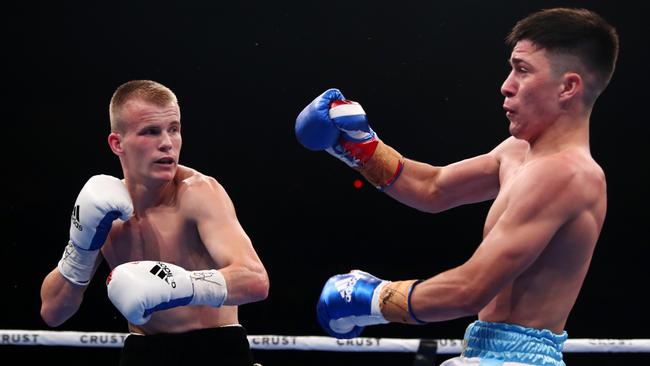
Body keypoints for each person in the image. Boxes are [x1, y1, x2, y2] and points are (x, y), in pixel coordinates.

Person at [295, 7, 618, 366]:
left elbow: (471, 288)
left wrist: (375, 298)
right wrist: (361, 148)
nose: (506, 85)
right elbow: (434, 188)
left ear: (568, 87)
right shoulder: (518, 153)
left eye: (522, 70)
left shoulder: (568, 174)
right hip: (483, 351)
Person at [40, 80, 269, 366]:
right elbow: (53, 312)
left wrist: (180, 285)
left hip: (214, 351)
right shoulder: (104, 209)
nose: (167, 143)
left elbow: (255, 280)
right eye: (151, 131)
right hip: (142, 353)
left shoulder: (198, 193)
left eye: (174, 129)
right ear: (117, 143)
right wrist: (81, 252)